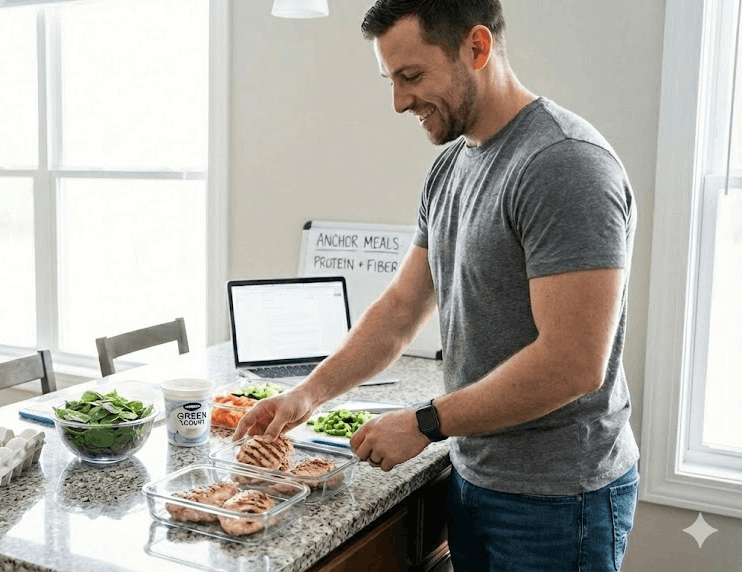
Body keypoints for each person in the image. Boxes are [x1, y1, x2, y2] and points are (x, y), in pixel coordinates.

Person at [232, 1, 639, 570]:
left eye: (412, 76)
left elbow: (574, 361)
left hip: (558, 498)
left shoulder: (563, 164)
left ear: (477, 48)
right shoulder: (452, 168)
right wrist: (309, 392)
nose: (399, 101)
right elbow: (401, 308)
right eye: (391, 79)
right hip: (476, 475)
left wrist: (425, 423)